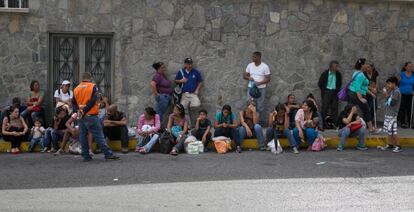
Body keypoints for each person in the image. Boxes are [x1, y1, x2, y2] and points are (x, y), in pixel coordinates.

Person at [73, 72, 119, 161]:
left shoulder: (76, 88)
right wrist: (84, 111)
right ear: (90, 78)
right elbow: (93, 100)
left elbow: (74, 103)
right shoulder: (93, 86)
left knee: (82, 136)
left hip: (81, 116)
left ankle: (86, 156)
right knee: (99, 135)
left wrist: (78, 111)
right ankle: (108, 154)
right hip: (91, 115)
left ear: (82, 78)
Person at [347, 58, 380, 133]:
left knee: (355, 110)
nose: (367, 65)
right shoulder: (361, 75)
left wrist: (371, 94)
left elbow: (362, 87)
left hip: (353, 93)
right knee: (366, 110)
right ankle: (371, 129)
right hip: (357, 94)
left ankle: (351, 126)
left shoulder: (356, 73)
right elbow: (357, 87)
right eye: (366, 64)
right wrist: (360, 98)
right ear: (362, 65)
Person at [243, 51, 271, 122]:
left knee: (260, 106)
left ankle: (258, 122)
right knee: (248, 102)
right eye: (252, 56)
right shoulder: (250, 65)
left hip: (261, 89)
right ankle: (249, 121)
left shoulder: (265, 66)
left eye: (254, 57)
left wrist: (260, 82)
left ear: (259, 57)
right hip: (251, 88)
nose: (253, 58)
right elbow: (244, 76)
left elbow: (268, 78)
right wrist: (249, 78)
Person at [174, 58, 203, 125]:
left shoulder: (196, 72)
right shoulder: (181, 71)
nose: (190, 65)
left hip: (193, 94)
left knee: (197, 104)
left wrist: (197, 90)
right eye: (188, 64)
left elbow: (200, 82)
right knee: (183, 110)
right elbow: (175, 81)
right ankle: (188, 126)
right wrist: (181, 81)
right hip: (184, 94)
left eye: (190, 64)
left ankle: (190, 106)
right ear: (185, 64)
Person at [379, 76, 402, 152]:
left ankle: (398, 146)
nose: (388, 85)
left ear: (394, 83)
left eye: (389, 84)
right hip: (390, 113)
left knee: (393, 131)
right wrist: (387, 95)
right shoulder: (393, 91)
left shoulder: (396, 92)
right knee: (390, 130)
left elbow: (392, 103)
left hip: (392, 114)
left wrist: (386, 95)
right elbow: (389, 100)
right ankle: (390, 144)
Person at [318, 60, 342, 129]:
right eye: (335, 66)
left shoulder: (338, 74)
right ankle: (323, 124)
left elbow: (339, 83)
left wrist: (337, 89)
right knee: (325, 107)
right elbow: (320, 83)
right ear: (331, 67)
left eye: (337, 66)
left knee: (335, 108)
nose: (337, 68)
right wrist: (324, 90)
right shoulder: (325, 74)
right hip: (327, 91)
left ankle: (334, 124)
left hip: (335, 92)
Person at [397, 62, 414, 128]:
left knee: (410, 109)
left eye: (411, 66)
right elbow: (396, 83)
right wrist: (398, 80)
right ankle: (403, 122)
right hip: (402, 94)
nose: (410, 68)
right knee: (402, 108)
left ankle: (411, 123)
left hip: (410, 94)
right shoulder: (401, 74)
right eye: (409, 66)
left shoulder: (413, 75)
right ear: (405, 67)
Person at [364, 63, 379, 128]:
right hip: (366, 92)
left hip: (373, 92)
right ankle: (367, 122)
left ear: (372, 68)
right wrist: (372, 89)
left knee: (374, 107)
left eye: (368, 67)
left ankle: (371, 120)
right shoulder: (364, 74)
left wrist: (375, 88)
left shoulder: (375, 73)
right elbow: (364, 84)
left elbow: (377, 82)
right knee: (367, 107)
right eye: (366, 67)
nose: (367, 69)